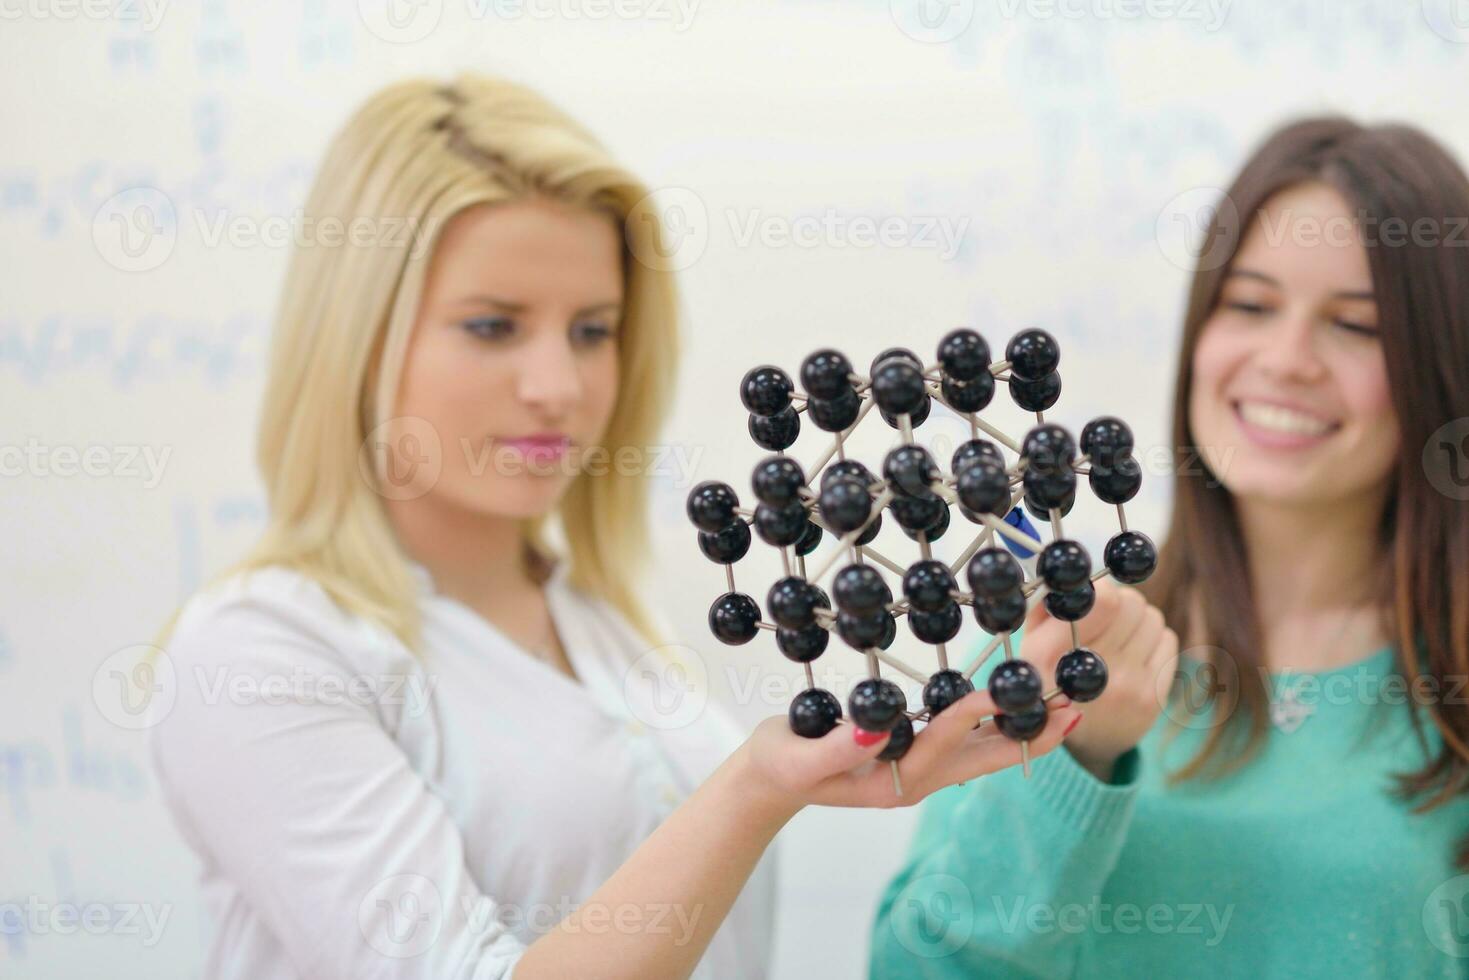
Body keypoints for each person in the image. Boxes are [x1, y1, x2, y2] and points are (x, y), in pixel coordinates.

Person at [144, 73, 1083, 980]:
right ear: (359, 336)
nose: (558, 387)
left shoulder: (600, 626)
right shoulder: (266, 654)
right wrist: (753, 793)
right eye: (491, 326)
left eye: (593, 330)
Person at [871, 115, 1469, 978]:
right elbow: (914, 967)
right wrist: (1078, 749)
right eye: (1251, 305)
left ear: (1439, 367)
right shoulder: (1047, 643)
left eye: (1356, 326)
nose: (1284, 359)